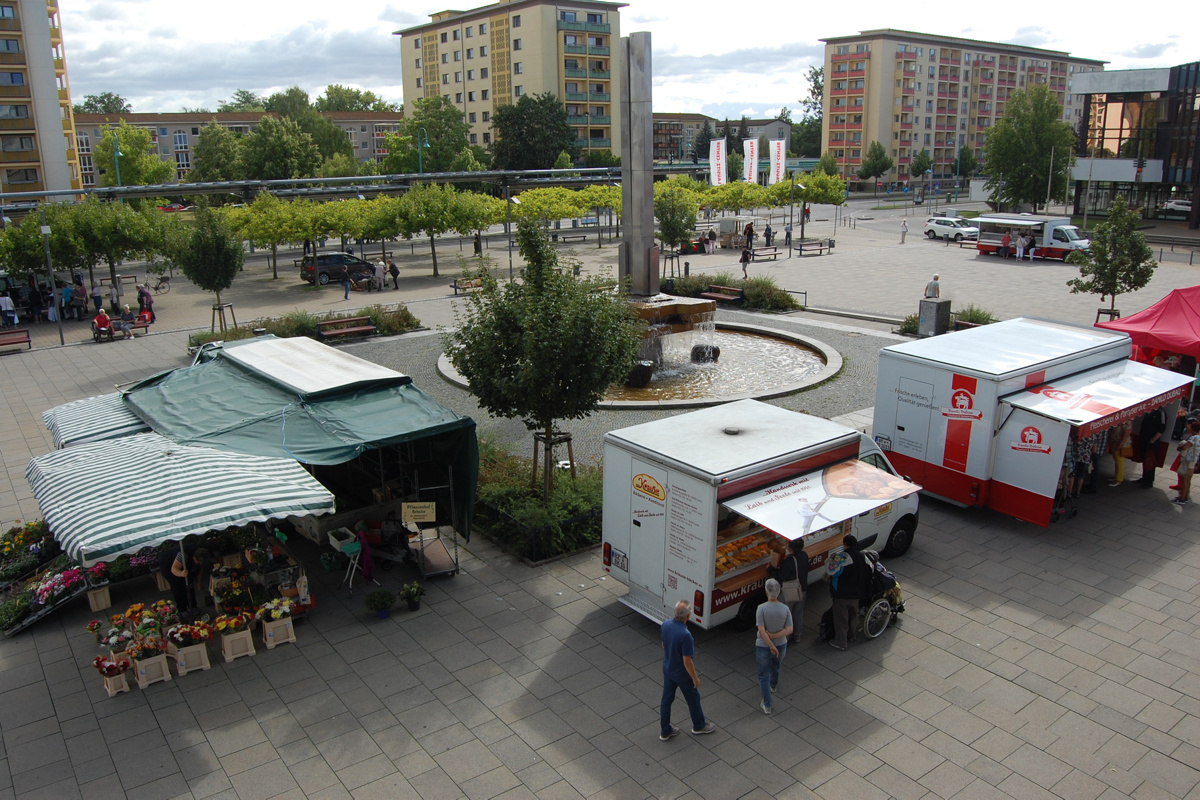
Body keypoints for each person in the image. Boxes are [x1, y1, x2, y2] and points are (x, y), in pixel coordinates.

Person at [659, 600, 715, 740]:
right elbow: (687, 661)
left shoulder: (665, 625)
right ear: (688, 616)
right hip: (682, 674)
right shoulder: (685, 635)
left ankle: (665, 731)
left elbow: (664, 645)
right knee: (693, 698)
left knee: (666, 700)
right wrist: (695, 678)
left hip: (668, 669)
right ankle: (699, 725)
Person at [755, 579, 793, 716]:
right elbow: (789, 629)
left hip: (763, 646)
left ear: (766, 592)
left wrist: (770, 643)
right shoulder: (785, 609)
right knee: (776, 666)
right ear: (779, 592)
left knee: (763, 675)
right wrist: (776, 636)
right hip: (781, 644)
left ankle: (767, 704)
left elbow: (761, 630)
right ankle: (773, 685)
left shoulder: (761, 608)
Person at [827, 545, 869, 650]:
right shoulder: (862, 556)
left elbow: (832, 571)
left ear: (845, 545)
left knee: (841, 620)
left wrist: (831, 559)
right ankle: (852, 636)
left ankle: (841, 643)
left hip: (842, 595)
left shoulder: (841, 557)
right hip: (856, 594)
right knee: (853, 616)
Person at [768, 539, 807, 643]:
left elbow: (780, 577)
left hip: (789, 591)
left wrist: (771, 569)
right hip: (801, 589)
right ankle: (797, 635)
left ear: (790, 547)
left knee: (786, 615)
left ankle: (786, 638)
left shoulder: (790, 561)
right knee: (798, 613)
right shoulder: (804, 555)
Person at [160, 544, 211, 621]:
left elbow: (200, 569)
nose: (200, 564)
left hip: (184, 567)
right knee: (178, 585)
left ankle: (193, 607)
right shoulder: (183, 555)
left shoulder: (201, 553)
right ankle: (182, 610)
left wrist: (199, 583)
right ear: (194, 558)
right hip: (169, 565)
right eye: (198, 562)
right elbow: (174, 569)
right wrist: (181, 573)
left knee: (189, 584)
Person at [1138, 408, 1169, 488]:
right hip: (1144, 439)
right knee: (1144, 458)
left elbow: (1162, 429)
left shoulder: (1161, 413)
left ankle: (1149, 481)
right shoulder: (1149, 411)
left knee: (1150, 460)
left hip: (1152, 441)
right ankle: (1144, 477)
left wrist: (1153, 440)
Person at [1171, 419, 1199, 505]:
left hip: (1187, 461)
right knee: (1188, 480)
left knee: (1185, 480)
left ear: (1192, 428)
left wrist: (1180, 447)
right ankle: (1185, 496)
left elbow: (1185, 447)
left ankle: (1182, 498)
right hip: (1194, 461)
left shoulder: (1193, 438)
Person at [1109, 420, 1133, 486]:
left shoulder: (1127, 422)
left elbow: (1126, 435)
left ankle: (1119, 479)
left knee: (1120, 461)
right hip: (1115, 442)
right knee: (1117, 460)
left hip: (1122, 445)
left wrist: (1120, 445)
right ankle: (1116, 476)